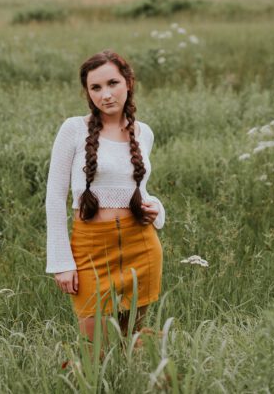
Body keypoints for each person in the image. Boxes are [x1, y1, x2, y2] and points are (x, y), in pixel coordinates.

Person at [45, 49, 165, 348]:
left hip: (141, 244)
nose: (106, 95)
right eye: (95, 88)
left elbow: (138, 188)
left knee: (130, 342)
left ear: (128, 82)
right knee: (95, 349)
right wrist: (61, 261)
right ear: (87, 92)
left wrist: (156, 208)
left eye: (112, 83)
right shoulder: (74, 129)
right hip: (90, 247)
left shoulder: (144, 133)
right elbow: (55, 197)